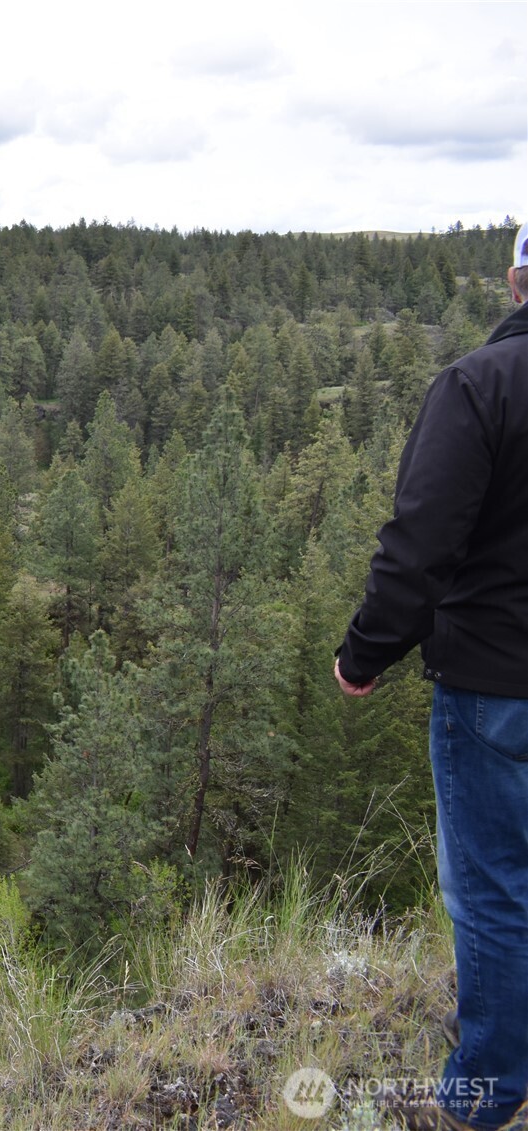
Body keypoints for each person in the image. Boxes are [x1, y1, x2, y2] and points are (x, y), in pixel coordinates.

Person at [335, 221, 528, 1131]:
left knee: (491, 887)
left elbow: (418, 546)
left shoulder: (477, 386)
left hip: (496, 686)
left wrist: (364, 653)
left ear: (513, 276)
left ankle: (483, 1091)